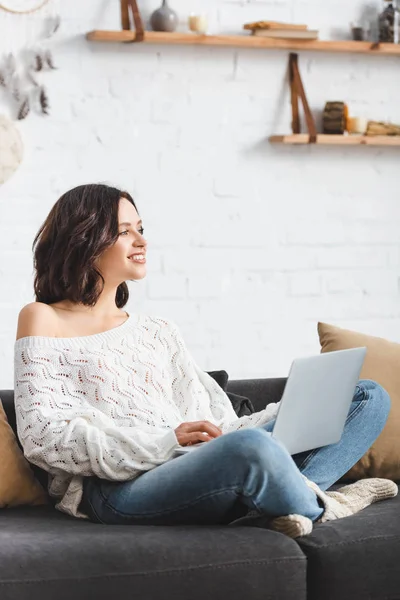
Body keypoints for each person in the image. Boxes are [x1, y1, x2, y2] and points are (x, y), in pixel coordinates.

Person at [14, 183, 397, 538]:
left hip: (201, 467)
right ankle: (324, 503)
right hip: (120, 488)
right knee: (251, 450)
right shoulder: (43, 318)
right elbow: (42, 439)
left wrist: (290, 412)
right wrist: (165, 443)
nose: (142, 240)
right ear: (84, 237)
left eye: (141, 228)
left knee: (368, 396)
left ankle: (277, 503)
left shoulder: (159, 330)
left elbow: (217, 427)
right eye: (124, 231)